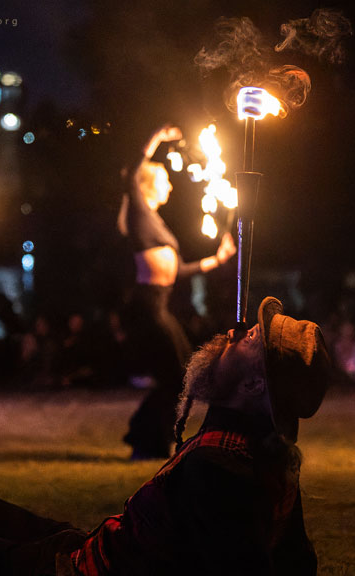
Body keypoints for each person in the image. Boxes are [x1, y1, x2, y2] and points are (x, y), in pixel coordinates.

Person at [0, 296, 334, 576]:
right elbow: (297, 561)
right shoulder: (265, 454)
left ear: (254, 384)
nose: (235, 331)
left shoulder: (223, 470)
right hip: (92, 546)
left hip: (63, 571)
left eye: (251, 341)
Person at [117, 124, 236, 460]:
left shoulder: (156, 222)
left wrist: (215, 260)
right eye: (166, 180)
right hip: (146, 307)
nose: (170, 184)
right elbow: (130, 174)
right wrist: (155, 137)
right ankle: (145, 441)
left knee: (183, 372)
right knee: (177, 374)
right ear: (151, 185)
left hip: (160, 306)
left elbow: (178, 270)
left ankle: (144, 436)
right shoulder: (140, 215)